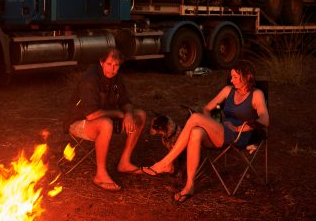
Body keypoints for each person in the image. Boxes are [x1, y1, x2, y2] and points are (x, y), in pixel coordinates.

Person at [142, 61, 269, 203]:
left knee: (195, 118)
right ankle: (189, 186)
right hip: (220, 132)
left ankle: (166, 162)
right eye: (231, 76)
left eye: (234, 76)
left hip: (238, 136)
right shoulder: (228, 90)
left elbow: (265, 120)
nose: (231, 79)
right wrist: (211, 124)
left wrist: (240, 128)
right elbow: (207, 109)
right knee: (196, 132)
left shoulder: (256, 94)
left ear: (246, 77)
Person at [63, 49, 147, 191]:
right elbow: (91, 115)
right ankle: (100, 174)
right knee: (106, 124)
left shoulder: (116, 78)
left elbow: (126, 101)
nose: (112, 69)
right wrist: (120, 114)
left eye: (116, 65)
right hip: (78, 122)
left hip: (104, 117)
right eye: (109, 64)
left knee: (140, 115)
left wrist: (128, 114)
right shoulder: (89, 80)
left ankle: (124, 162)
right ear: (101, 62)